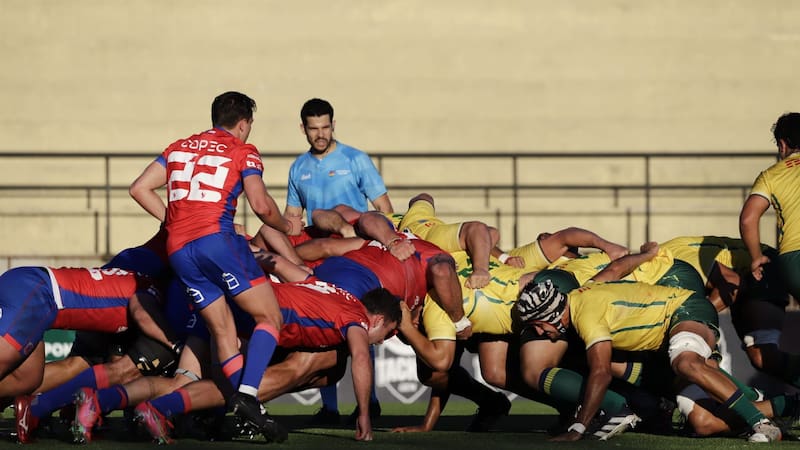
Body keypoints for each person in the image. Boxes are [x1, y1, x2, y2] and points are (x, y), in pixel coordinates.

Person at [128, 91, 302, 440]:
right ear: (244, 124)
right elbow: (261, 205)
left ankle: (245, 404)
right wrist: (287, 226)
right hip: (217, 242)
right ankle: (247, 396)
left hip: (179, 249)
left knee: (222, 331)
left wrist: (174, 222)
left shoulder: (178, 147)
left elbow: (139, 188)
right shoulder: (242, 150)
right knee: (269, 317)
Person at [74, 284, 401, 444]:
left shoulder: (336, 293)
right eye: (387, 332)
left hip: (227, 304)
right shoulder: (356, 318)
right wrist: (364, 415)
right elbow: (361, 356)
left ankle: (100, 401)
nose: (384, 340)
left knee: (183, 381)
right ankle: (160, 409)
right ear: (377, 319)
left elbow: (288, 268)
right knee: (230, 390)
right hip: (247, 321)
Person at [516, 279, 784, 443]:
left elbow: (600, 373)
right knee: (703, 423)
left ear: (551, 313)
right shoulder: (579, 302)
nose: (539, 332)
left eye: (538, 324)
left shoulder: (584, 313)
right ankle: (785, 404)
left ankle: (761, 424)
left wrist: (579, 427)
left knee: (685, 363)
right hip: (667, 337)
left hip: (684, 310)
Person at [285, 97, 393, 228]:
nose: (320, 134)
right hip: (319, 240)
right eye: (314, 129)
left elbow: (385, 209)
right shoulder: (297, 168)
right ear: (303, 129)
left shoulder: (356, 159)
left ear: (333, 125)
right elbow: (292, 218)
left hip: (354, 238)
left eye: (325, 127)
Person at [740, 112, 800, 299]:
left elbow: (748, 219)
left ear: (782, 145)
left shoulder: (771, 175)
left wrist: (757, 257)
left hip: (793, 260)